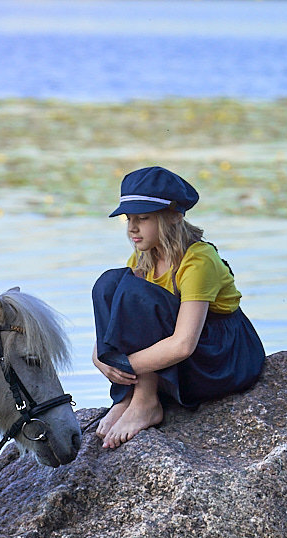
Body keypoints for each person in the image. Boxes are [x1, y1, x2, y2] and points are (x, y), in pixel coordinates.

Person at [92, 166, 265, 448]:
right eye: (129, 219)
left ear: (173, 217)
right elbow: (119, 315)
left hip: (219, 356)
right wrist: (101, 356)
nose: (133, 228)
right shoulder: (143, 257)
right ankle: (127, 399)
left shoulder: (198, 260)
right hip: (181, 360)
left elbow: (184, 344)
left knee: (139, 296)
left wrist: (125, 365)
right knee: (110, 283)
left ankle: (146, 402)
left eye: (143, 218)